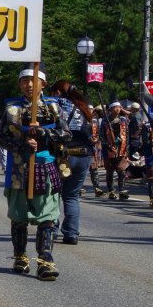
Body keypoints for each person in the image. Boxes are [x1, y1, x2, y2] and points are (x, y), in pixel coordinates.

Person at [0, 65, 71, 281]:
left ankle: (45, 259)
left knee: (48, 216)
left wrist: (45, 133)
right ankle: (20, 255)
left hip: (46, 167)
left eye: (34, 80)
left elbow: (66, 135)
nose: (29, 84)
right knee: (19, 217)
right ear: (19, 84)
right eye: (25, 80)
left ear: (43, 84)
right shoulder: (11, 109)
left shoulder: (54, 108)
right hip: (19, 169)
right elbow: (1, 138)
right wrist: (22, 142)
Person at [50, 80, 94, 245]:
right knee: (72, 195)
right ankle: (71, 233)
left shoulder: (56, 103)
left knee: (54, 192)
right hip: (84, 154)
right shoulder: (84, 107)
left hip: (64, 154)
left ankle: (52, 230)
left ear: (58, 92)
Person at [99, 100, 130, 200]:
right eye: (115, 107)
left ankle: (122, 190)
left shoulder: (123, 120)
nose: (118, 109)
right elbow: (102, 136)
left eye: (119, 107)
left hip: (122, 148)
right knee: (110, 171)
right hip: (109, 149)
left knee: (121, 170)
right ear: (111, 109)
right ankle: (111, 191)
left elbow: (127, 134)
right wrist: (108, 145)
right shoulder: (105, 121)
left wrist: (127, 147)